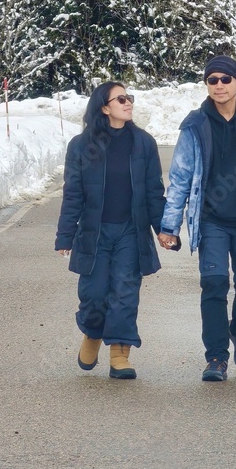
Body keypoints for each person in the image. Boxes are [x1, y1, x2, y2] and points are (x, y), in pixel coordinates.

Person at [157, 55, 236, 382]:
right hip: (210, 220)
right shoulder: (195, 125)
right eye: (212, 80)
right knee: (213, 285)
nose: (218, 85)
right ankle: (216, 357)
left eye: (225, 79)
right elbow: (181, 178)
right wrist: (169, 225)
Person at [55, 81, 165, 379]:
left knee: (125, 292)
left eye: (129, 98)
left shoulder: (143, 143)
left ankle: (120, 352)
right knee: (93, 292)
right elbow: (73, 193)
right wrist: (65, 235)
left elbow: (154, 191)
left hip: (131, 231)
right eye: (121, 99)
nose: (128, 103)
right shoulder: (81, 146)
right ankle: (92, 334)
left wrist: (163, 229)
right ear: (104, 107)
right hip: (94, 232)